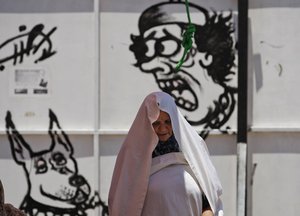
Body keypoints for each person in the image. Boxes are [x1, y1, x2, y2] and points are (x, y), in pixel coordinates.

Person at [108, 91, 223, 216]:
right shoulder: (132, 157)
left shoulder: (194, 149)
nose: (162, 129)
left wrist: (208, 212)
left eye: (168, 122)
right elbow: (123, 204)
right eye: (156, 123)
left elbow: (210, 197)